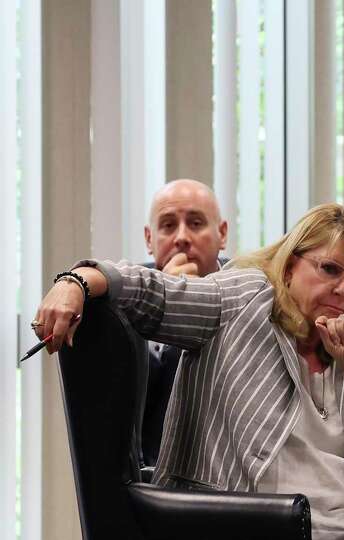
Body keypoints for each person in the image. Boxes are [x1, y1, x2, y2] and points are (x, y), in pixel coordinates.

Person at [34, 203, 344, 539]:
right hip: (244, 528)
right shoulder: (243, 300)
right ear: (290, 266)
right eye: (330, 269)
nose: (343, 290)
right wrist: (76, 280)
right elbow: (155, 293)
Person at [141, 178, 228, 466]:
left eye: (195, 223)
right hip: (156, 472)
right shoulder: (130, 298)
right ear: (149, 239)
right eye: (167, 225)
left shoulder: (252, 292)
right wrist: (169, 304)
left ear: (222, 233)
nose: (181, 237)